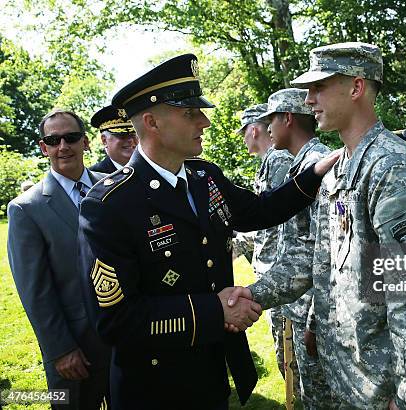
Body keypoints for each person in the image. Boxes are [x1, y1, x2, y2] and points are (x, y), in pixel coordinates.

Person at [77, 54, 338, 410]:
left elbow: (260, 210)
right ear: (152, 122)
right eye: (190, 114)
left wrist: (319, 168)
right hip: (155, 389)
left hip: (212, 372)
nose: (205, 121)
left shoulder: (203, 176)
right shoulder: (109, 204)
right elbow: (116, 321)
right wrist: (213, 312)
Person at [231, 42, 406, 409]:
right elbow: (316, 258)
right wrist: (256, 295)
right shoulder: (338, 171)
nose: (309, 100)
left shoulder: (393, 169)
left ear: (356, 87)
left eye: (319, 87)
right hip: (346, 376)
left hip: (383, 388)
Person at [7, 109, 111, 410]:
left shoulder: (115, 186)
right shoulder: (26, 208)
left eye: (71, 137)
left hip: (126, 334)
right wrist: (60, 349)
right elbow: (35, 290)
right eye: (53, 140)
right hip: (74, 349)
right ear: (44, 148)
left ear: (86, 142)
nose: (62, 146)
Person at [257, 88, 333, 409]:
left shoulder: (318, 166)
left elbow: (328, 252)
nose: (267, 129)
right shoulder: (299, 167)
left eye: (271, 120)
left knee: (323, 400)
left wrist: (315, 319)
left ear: (288, 119)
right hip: (299, 309)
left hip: (317, 315)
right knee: (305, 394)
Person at [235, 103, 293, 377]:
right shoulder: (269, 162)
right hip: (272, 272)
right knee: (286, 358)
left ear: (254, 129)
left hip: (281, 272)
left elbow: (283, 222)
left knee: (292, 362)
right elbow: (264, 225)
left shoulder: (278, 161)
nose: (243, 138)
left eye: (243, 132)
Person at [89, 105, 138, 173]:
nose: (131, 140)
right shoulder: (93, 177)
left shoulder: (152, 167)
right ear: (104, 140)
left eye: (133, 135)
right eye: (122, 135)